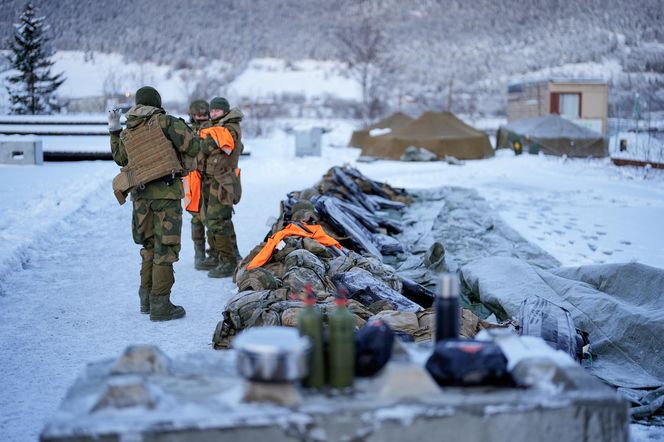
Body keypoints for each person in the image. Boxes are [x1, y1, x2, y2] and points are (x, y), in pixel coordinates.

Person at [109, 86, 199, 321]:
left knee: (148, 247)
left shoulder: (129, 129)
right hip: (166, 195)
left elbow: (120, 158)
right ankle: (161, 305)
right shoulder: (165, 122)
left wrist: (114, 131)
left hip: (140, 198)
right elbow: (193, 146)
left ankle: (146, 300)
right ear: (157, 103)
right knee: (165, 249)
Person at [199, 96, 244, 278]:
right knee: (215, 219)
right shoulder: (215, 127)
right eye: (212, 110)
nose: (213, 113)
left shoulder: (229, 128)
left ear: (225, 111)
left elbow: (206, 145)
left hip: (222, 180)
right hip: (211, 179)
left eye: (217, 110)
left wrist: (203, 139)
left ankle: (228, 261)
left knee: (217, 220)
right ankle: (221, 254)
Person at [184, 99, 217, 271]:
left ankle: (215, 254)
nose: (201, 118)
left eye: (204, 115)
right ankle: (199, 254)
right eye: (198, 115)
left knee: (213, 217)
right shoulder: (186, 131)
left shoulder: (215, 129)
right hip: (192, 179)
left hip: (211, 180)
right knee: (196, 217)